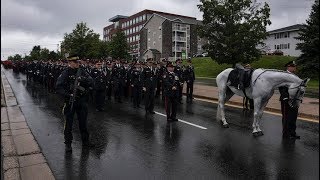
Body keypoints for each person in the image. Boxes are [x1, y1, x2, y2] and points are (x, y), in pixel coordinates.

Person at [55, 55, 94, 152]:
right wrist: (69, 95)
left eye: (78, 62)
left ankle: (85, 142)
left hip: (81, 101)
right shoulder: (65, 73)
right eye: (75, 62)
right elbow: (59, 87)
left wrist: (82, 80)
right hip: (70, 102)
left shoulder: (82, 71)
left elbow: (91, 81)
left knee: (83, 123)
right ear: (70, 62)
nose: (78, 63)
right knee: (68, 124)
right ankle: (68, 144)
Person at [279, 60, 300, 140]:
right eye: (293, 66)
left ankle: (292, 133)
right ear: (289, 67)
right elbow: (281, 86)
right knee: (286, 117)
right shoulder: (284, 75)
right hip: (286, 99)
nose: (295, 68)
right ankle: (286, 134)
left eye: (295, 66)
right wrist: (285, 96)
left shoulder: (295, 75)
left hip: (295, 99)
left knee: (293, 117)